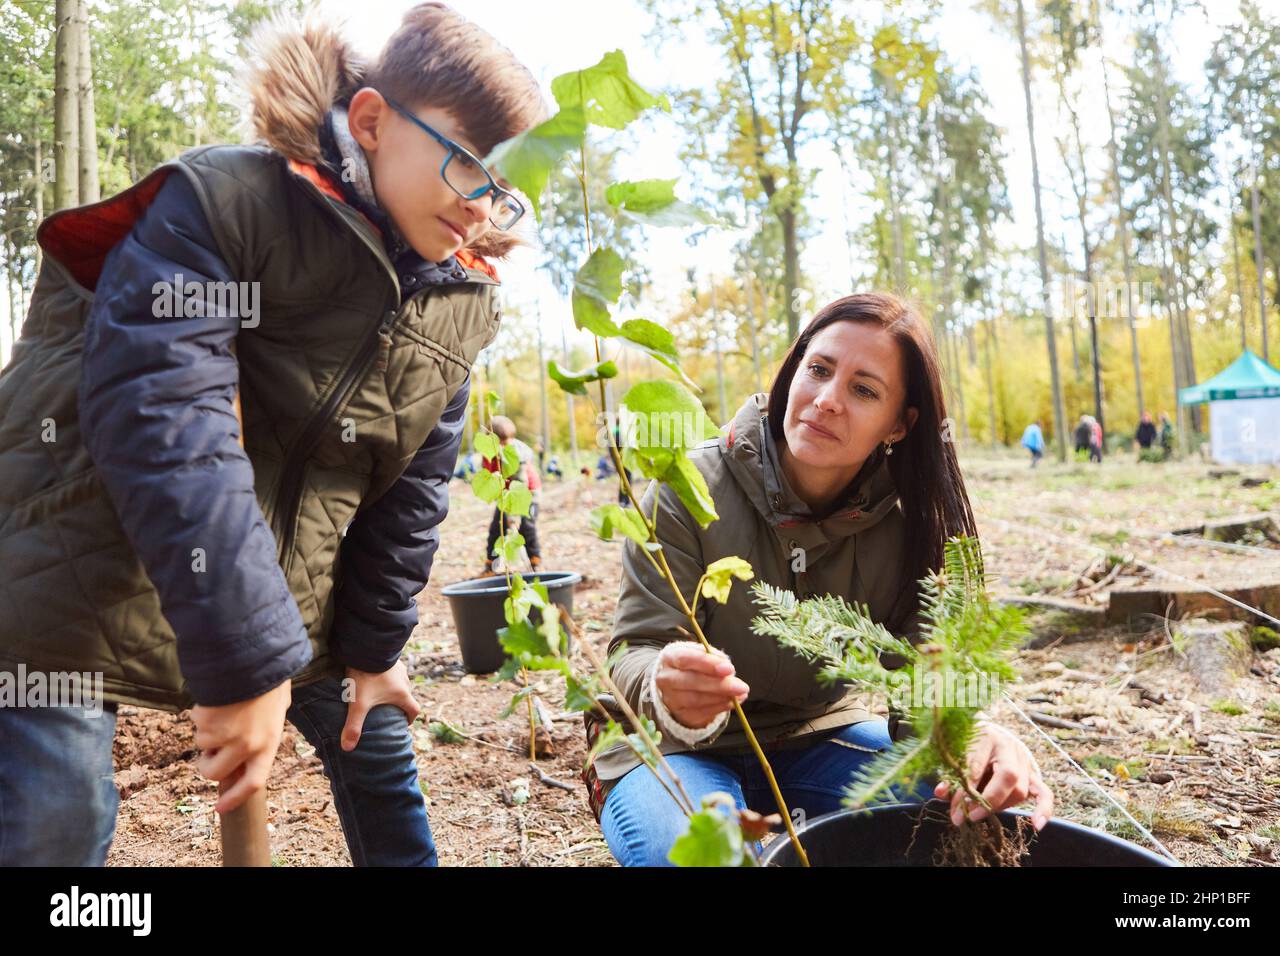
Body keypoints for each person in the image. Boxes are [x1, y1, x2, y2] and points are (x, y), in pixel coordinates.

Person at [0, 6, 547, 866]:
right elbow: (164, 421)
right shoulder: (223, 202)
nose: (482, 206)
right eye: (466, 162)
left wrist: (371, 649)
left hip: (288, 579)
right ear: (370, 121)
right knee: (51, 815)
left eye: (499, 186)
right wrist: (247, 662)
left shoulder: (458, 305)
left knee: (380, 742)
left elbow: (409, 495)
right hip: (83, 552)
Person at [585, 293, 1055, 866]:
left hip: (819, 737)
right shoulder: (687, 486)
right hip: (667, 749)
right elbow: (632, 648)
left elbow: (925, 684)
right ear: (794, 370)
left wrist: (969, 735)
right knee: (709, 860)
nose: (827, 401)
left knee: (981, 823)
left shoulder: (914, 530)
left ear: (901, 424)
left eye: (864, 390)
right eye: (819, 369)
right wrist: (663, 683)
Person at [480, 414, 544, 575]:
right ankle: (491, 565)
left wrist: (514, 516)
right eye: (499, 441)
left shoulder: (517, 452)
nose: (503, 445)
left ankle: (536, 563)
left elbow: (520, 482)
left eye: (506, 441)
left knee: (526, 527)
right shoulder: (487, 453)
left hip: (527, 494)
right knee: (497, 528)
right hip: (505, 495)